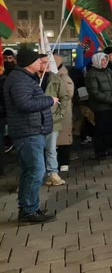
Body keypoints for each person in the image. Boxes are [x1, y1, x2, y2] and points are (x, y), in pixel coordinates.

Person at [5, 49, 58, 223]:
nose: (41, 63)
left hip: (31, 129)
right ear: (29, 63)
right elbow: (25, 104)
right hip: (28, 131)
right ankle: (29, 211)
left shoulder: (25, 78)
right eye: (37, 61)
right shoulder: (20, 80)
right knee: (36, 170)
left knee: (29, 170)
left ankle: (29, 207)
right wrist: (49, 100)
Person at [85, 52, 112, 161]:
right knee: (100, 129)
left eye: (106, 60)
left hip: (111, 105)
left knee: (109, 128)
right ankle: (99, 151)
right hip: (100, 107)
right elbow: (94, 92)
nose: (105, 62)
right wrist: (110, 100)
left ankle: (107, 148)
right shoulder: (92, 74)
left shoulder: (108, 71)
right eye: (102, 60)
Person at [40, 55, 69, 187]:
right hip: (36, 120)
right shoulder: (32, 79)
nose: (46, 65)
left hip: (52, 119)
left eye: (48, 62)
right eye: (43, 62)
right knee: (37, 149)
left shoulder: (55, 78)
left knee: (51, 149)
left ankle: (52, 173)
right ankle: (38, 174)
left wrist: (60, 113)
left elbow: (64, 97)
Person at [54, 56, 74, 173]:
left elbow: (68, 94)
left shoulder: (64, 78)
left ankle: (64, 162)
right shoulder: (52, 77)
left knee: (63, 138)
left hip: (63, 112)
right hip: (55, 113)